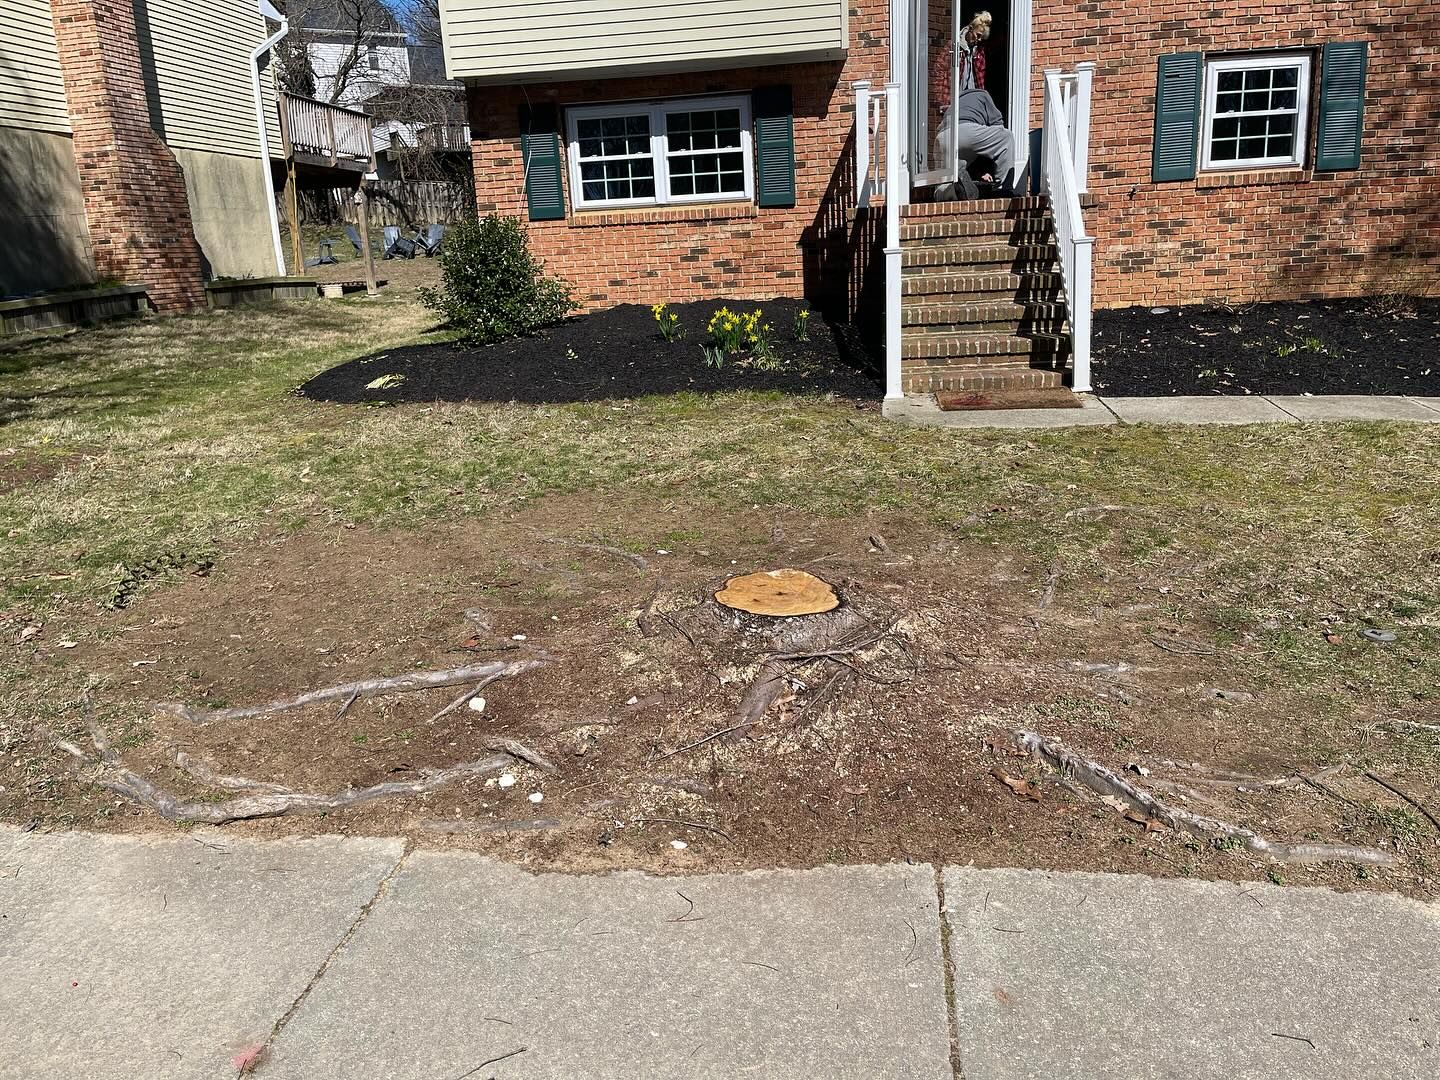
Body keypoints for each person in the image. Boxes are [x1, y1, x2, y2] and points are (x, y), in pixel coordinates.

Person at [935, 87, 1015, 200]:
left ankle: (951, 191)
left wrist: (980, 173)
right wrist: (991, 170)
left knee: (945, 181)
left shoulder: (955, 102)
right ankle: (1002, 189)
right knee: (1006, 137)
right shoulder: (983, 94)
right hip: (965, 132)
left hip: (942, 138)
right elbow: (997, 126)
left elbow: (971, 150)